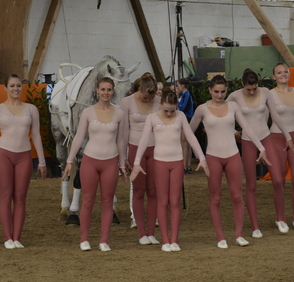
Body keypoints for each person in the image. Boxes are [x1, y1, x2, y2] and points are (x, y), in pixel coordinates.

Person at [190, 75, 271, 248]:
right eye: (216, 92)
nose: (219, 95)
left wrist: (261, 147)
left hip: (233, 155)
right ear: (210, 90)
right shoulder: (202, 109)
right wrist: (199, 156)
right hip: (213, 157)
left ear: (226, 90)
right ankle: (220, 237)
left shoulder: (233, 106)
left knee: (236, 195)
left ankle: (239, 234)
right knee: (215, 198)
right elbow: (189, 133)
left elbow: (246, 127)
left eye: (222, 92)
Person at [130, 88, 209, 252]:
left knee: (175, 201)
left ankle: (174, 239)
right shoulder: (152, 117)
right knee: (162, 201)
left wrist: (201, 157)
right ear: (159, 104)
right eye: (166, 110)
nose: (168, 114)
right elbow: (144, 140)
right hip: (160, 162)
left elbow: (190, 136)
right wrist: (137, 162)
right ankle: (165, 240)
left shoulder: (180, 116)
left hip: (177, 162)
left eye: (172, 111)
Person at [0, 74, 47, 249]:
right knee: (6, 196)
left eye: (18, 85)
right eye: (12, 86)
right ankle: (7, 237)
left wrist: (42, 161)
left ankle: (17, 238)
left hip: (24, 156)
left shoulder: (31, 109)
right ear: (5, 88)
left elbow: (36, 136)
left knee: (20, 197)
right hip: (3, 155)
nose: (16, 88)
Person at [62, 77, 128, 252]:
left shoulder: (120, 114)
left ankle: (104, 240)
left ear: (113, 91)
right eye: (103, 89)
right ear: (97, 90)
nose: (106, 92)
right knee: (88, 200)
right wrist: (69, 160)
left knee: (107, 201)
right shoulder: (88, 112)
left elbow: (121, 141)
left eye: (109, 89)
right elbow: (78, 138)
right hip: (90, 161)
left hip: (111, 162)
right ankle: (84, 239)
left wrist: (122, 164)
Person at [227, 69, 294, 238]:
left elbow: (275, 116)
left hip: (266, 138)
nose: (252, 92)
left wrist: (287, 136)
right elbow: (224, 115)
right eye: (248, 89)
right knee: (251, 185)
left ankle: (280, 218)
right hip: (248, 142)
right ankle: (255, 226)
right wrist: (234, 132)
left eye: (254, 88)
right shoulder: (234, 96)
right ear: (242, 84)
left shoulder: (265, 92)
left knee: (278, 179)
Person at [267, 63, 294, 233]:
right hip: (276, 139)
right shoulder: (269, 94)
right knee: (278, 181)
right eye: (279, 72)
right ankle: (280, 218)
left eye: (285, 71)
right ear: (274, 77)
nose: (283, 74)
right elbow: (264, 119)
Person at [120, 73, 160, 246]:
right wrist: (123, 156)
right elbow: (123, 132)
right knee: (138, 190)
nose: (147, 101)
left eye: (150, 98)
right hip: (135, 149)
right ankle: (141, 232)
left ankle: (151, 232)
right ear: (139, 90)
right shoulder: (127, 102)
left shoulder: (159, 101)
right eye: (144, 98)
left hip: (156, 149)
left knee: (153, 191)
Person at [175, 78, 194, 174]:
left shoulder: (187, 94)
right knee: (184, 143)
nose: (177, 87)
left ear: (182, 86)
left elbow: (182, 107)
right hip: (183, 119)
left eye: (178, 85)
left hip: (187, 119)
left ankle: (185, 166)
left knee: (184, 143)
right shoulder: (182, 95)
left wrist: (176, 100)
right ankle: (186, 165)